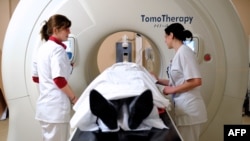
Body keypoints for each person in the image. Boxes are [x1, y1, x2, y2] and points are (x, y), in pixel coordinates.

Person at [153, 23, 207, 141]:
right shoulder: (179, 53)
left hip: (190, 109)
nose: (164, 40)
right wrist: (158, 80)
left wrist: (171, 90)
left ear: (171, 35)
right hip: (184, 109)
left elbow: (196, 81)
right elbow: (177, 82)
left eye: (165, 37)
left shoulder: (184, 52)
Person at [32, 14, 78, 141]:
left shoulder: (42, 49)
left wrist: (67, 67)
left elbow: (36, 78)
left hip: (45, 108)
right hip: (56, 109)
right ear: (56, 30)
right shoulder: (57, 50)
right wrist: (74, 98)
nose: (69, 31)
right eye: (66, 28)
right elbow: (59, 79)